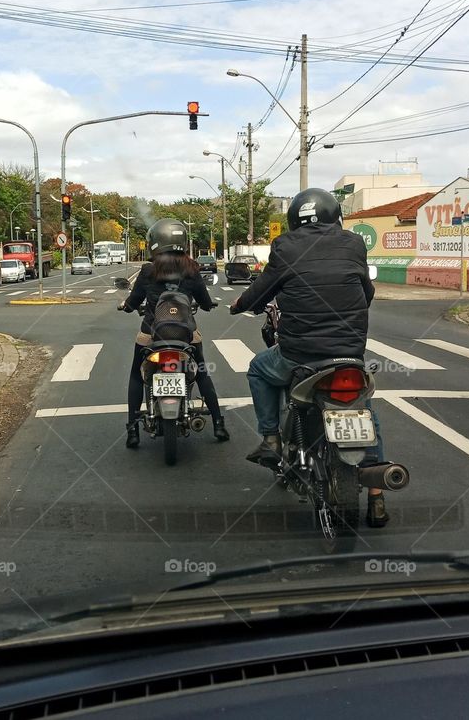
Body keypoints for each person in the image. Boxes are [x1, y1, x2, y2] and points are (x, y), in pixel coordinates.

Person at [229, 188, 389, 528]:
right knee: (364, 408)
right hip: (349, 354)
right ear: (336, 217)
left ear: (293, 220)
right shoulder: (354, 244)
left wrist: (240, 305)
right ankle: (377, 496)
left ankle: (271, 438)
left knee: (258, 369)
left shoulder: (285, 246)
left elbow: (261, 292)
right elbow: (367, 292)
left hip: (300, 355)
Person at [121, 219, 230, 448]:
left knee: (135, 375)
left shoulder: (148, 270)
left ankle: (132, 429)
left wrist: (128, 306)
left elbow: (134, 301)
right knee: (201, 373)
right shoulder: (191, 269)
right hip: (185, 335)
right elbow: (205, 300)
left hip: (151, 334)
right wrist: (208, 305)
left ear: (155, 243)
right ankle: (219, 423)